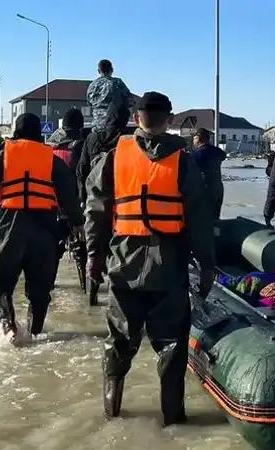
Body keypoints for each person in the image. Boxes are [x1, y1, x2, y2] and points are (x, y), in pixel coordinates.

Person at [84, 91, 214, 423]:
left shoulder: (114, 157)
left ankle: (111, 413)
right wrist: (207, 264)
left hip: (123, 264)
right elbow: (199, 219)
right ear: (169, 120)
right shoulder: (184, 161)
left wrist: (93, 255)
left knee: (118, 339)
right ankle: (173, 420)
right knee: (171, 345)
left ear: (136, 119)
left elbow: (96, 209)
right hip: (168, 267)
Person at [0, 113, 84, 340]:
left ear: (16, 132)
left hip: (11, 227)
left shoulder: (3, 156)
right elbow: (69, 195)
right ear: (39, 133)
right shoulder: (51, 160)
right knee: (40, 290)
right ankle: (35, 333)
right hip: (44, 230)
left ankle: (9, 326)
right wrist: (77, 223)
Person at [47, 107, 86, 278]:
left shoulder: (50, 145)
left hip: (50, 205)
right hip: (75, 203)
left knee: (54, 250)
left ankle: (49, 283)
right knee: (82, 244)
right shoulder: (80, 146)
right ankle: (86, 285)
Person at [78, 103, 131, 202]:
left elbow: (82, 170)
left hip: (95, 195)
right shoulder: (129, 140)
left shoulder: (92, 138)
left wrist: (83, 198)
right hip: (121, 197)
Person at [87, 59, 132, 132]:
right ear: (112, 70)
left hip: (96, 127)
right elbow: (130, 101)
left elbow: (89, 103)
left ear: (98, 71)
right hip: (113, 128)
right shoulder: (117, 82)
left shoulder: (91, 86)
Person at [191, 127, 226, 219]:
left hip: (203, 189)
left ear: (198, 138)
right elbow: (223, 156)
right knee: (215, 217)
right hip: (217, 188)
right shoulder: (218, 151)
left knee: (201, 218)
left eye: (194, 138)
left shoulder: (196, 154)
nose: (193, 141)